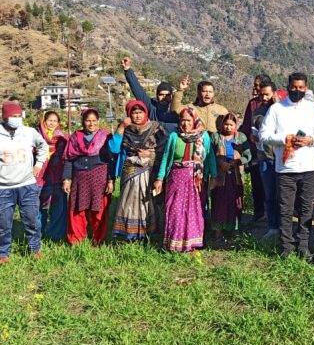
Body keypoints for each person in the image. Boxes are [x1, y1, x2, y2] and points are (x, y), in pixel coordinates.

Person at [259, 72, 314, 258]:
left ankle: (304, 245)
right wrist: (285, 139)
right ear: (288, 87)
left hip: (308, 168)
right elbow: (264, 135)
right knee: (285, 208)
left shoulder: (313, 109)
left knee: (306, 208)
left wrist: (310, 139)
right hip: (285, 169)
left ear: (306, 88)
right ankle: (286, 247)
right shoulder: (276, 109)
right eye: (294, 87)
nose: (297, 90)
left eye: (301, 88)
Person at [0, 100, 48, 263]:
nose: (16, 119)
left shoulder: (29, 132)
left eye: (19, 115)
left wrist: (38, 164)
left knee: (32, 220)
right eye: (13, 116)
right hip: (2, 188)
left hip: (27, 185)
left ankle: (35, 249)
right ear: (5, 117)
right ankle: (2, 253)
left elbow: (43, 146)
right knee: (3, 223)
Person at [154, 107, 216, 253]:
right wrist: (159, 178)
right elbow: (166, 157)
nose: (185, 123)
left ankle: (192, 243)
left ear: (195, 120)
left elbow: (210, 157)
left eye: (189, 120)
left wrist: (213, 176)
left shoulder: (204, 137)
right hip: (176, 178)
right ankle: (174, 243)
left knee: (194, 210)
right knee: (175, 210)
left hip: (196, 180)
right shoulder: (174, 137)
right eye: (183, 120)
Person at [110, 100, 166, 242]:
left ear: (145, 113)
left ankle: (148, 232)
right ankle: (128, 233)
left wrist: (150, 154)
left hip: (149, 172)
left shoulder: (155, 128)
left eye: (140, 112)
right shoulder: (125, 129)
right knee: (128, 202)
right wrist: (122, 126)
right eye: (134, 112)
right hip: (129, 173)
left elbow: (165, 150)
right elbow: (114, 149)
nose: (137, 116)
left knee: (146, 202)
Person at [62, 109, 115, 246]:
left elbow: (111, 160)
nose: (91, 124)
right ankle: (76, 240)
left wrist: (111, 180)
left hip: (99, 177)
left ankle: (98, 240)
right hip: (80, 178)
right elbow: (68, 159)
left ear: (98, 121)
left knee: (98, 210)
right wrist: (67, 179)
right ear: (83, 122)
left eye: (94, 121)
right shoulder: (75, 137)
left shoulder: (105, 137)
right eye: (88, 121)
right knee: (77, 210)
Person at [210, 112, 252, 239]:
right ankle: (218, 231)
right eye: (226, 124)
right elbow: (210, 154)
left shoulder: (241, 137)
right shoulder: (215, 137)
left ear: (236, 125)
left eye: (231, 125)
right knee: (219, 202)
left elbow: (248, 155)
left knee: (235, 203)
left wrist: (237, 162)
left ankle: (233, 230)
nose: (228, 127)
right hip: (220, 176)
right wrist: (220, 162)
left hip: (235, 176)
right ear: (222, 124)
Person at [240, 74, 273, 223]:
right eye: (255, 85)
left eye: (259, 85)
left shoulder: (277, 104)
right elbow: (247, 124)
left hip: (273, 150)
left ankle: (273, 213)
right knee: (257, 182)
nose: (256, 88)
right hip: (255, 149)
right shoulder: (252, 104)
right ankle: (259, 212)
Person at [252, 81, 281, 239]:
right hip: (265, 158)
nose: (263, 97)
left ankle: (285, 225)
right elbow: (255, 133)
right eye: (261, 94)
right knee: (269, 194)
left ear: (274, 93)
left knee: (283, 194)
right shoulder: (257, 112)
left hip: (282, 158)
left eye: (267, 94)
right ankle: (272, 226)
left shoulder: (284, 110)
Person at [121, 57, 179, 134]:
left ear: (171, 96)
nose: (164, 97)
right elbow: (137, 90)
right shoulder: (151, 106)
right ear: (157, 95)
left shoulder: (176, 110)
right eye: (161, 94)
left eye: (167, 95)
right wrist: (128, 70)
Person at [35, 110, 68, 241]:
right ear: (44, 121)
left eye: (55, 121)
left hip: (58, 175)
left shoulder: (63, 138)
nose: (52, 123)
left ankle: (56, 234)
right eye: (50, 120)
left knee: (58, 204)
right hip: (40, 177)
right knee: (39, 205)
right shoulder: (36, 136)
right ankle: (39, 233)